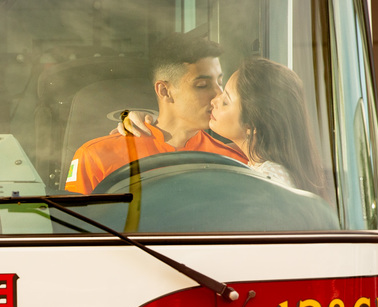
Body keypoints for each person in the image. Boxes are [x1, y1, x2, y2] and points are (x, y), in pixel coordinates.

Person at [64, 33, 245, 194]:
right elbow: (74, 228)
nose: (218, 94)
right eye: (202, 86)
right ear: (164, 91)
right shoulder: (96, 156)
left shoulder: (232, 162)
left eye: (220, 82)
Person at [206, 57, 326, 195]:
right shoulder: (266, 172)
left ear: (251, 125)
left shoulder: (265, 183)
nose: (214, 101)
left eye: (225, 102)